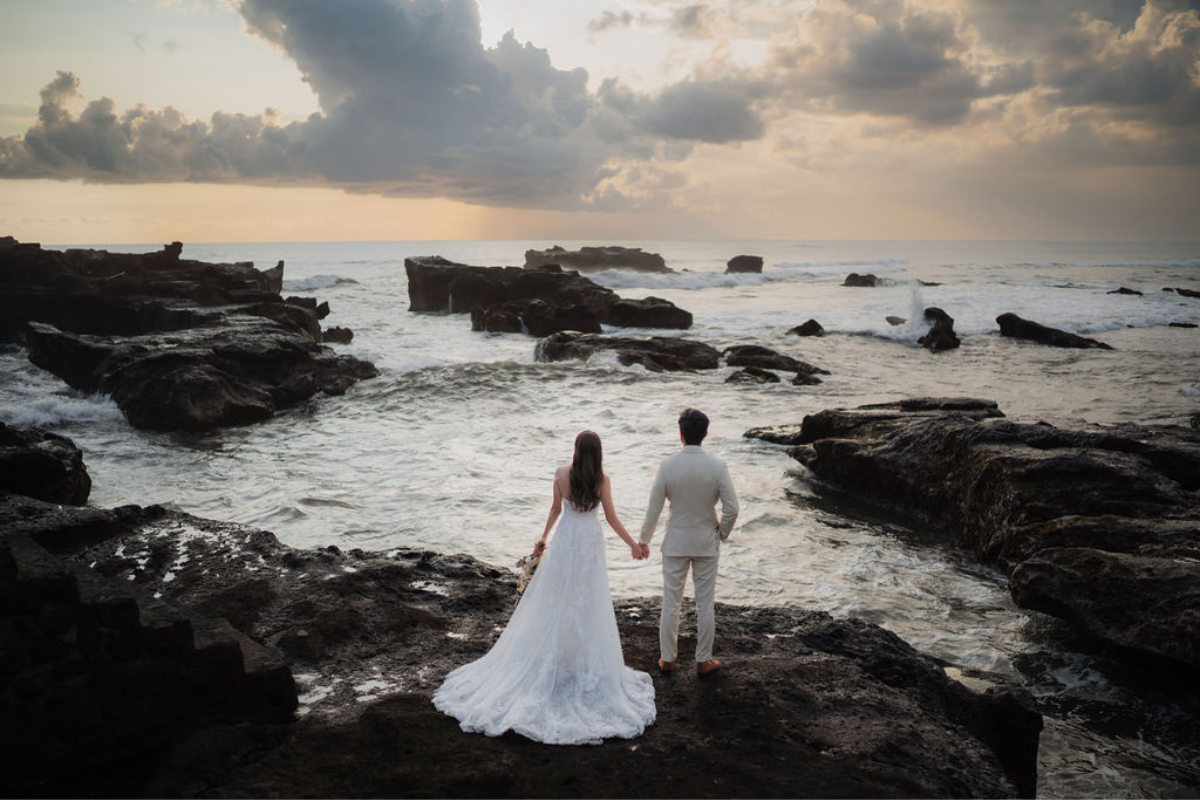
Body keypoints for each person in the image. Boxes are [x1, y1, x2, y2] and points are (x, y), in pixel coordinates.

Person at [433, 430, 656, 745]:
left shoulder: (561, 473)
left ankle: (557, 654)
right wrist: (633, 544)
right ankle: (576, 657)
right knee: (586, 601)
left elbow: (555, 510)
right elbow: (610, 516)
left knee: (556, 600)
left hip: (566, 539)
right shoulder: (602, 479)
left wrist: (542, 542)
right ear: (599, 454)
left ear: (577, 450)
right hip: (589, 542)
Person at [639, 408, 739, 677]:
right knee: (705, 603)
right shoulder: (718, 466)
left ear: (680, 433)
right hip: (706, 542)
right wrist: (721, 533)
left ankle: (668, 659)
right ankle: (703, 660)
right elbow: (732, 508)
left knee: (671, 602)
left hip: (675, 543)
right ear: (705, 433)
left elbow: (654, 509)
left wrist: (643, 540)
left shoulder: (667, 466)